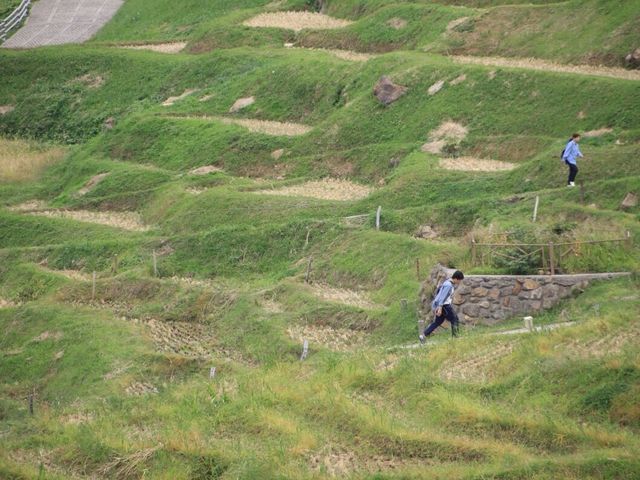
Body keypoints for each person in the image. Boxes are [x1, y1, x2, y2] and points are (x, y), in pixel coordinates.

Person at [419, 270, 464, 343]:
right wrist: (439, 308)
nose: (459, 282)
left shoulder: (447, 282)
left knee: (438, 322)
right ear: (456, 278)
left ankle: (423, 335)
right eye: (459, 280)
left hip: (442, 305)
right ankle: (455, 337)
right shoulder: (449, 285)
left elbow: (439, 293)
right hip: (444, 306)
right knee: (455, 319)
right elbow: (442, 297)